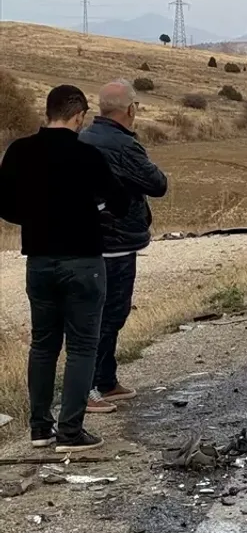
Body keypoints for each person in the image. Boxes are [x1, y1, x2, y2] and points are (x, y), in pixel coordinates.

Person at [0, 85, 128, 451]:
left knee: (43, 345)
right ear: (78, 115)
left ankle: (40, 428)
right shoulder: (87, 155)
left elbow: (3, 204)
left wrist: (34, 218)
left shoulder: (19, 151)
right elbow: (120, 202)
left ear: (48, 111)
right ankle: (71, 431)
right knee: (82, 346)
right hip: (83, 261)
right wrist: (95, 212)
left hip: (39, 261)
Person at [80, 79, 168, 413]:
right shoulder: (122, 144)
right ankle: (89, 387)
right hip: (115, 241)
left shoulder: (83, 137)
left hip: (90, 239)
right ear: (130, 109)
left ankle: (106, 380)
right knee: (110, 314)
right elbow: (157, 183)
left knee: (102, 313)